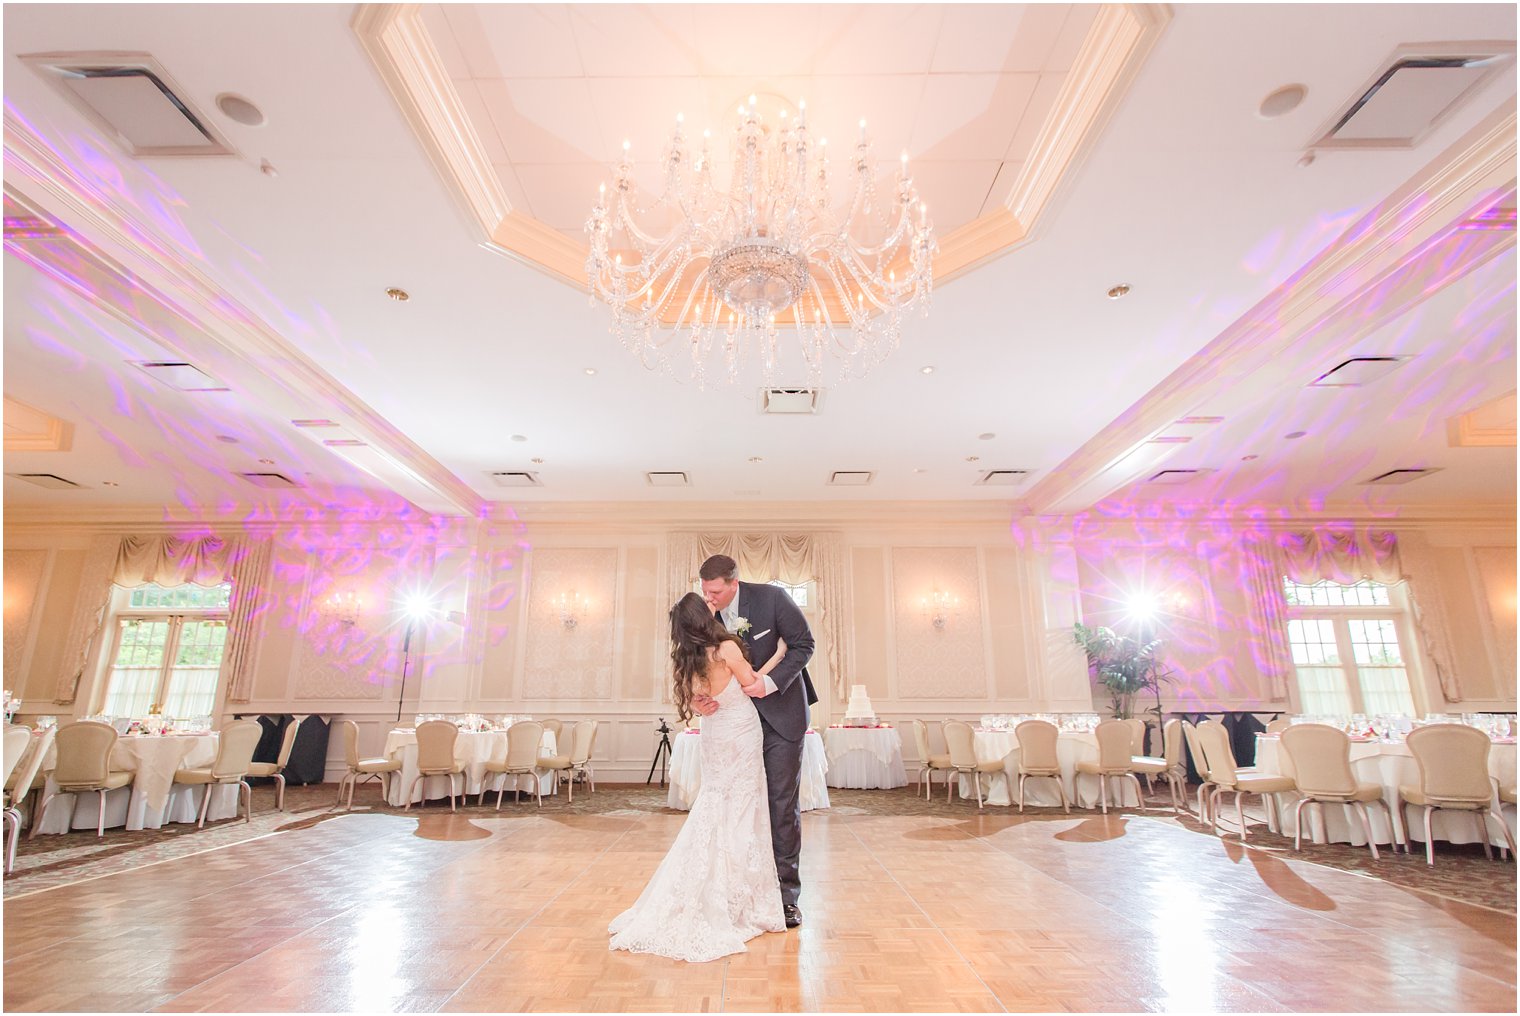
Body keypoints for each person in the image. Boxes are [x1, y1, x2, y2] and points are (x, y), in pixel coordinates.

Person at [607, 593, 785, 962]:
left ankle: (710, 884)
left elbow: (697, 701)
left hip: (715, 735)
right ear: (705, 618)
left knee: (715, 802)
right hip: (740, 731)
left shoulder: (687, 658)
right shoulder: (726, 649)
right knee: (743, 807)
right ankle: (737, 896)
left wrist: (702, 702)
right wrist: (781, 656)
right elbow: (752, 685)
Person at [693, 554, 816, 929]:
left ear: (734, 583)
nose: (709, 598)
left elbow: (802, 645)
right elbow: (697, 666)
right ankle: (739, 891)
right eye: (704, 591)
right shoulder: (703, 613)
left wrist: (771, 682)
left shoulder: (772, 599)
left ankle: (786, 898)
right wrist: (700, 696)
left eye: (716, 591)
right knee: (737, 806)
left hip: (780, 718)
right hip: (733, 724)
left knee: (780, 806)